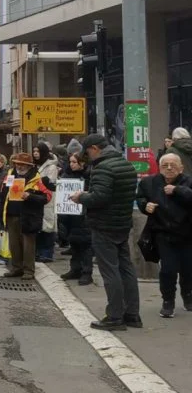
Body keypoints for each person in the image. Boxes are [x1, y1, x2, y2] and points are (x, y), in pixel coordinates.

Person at [69, 134, 140, 331]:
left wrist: (80, 197)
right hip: (122, 224)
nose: (88, 157)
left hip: (104, 225)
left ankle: (114, 316)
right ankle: (132, 314)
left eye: (87, 152)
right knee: (126, 268)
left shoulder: (103, 168)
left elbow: (99, 197)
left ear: (94, 148)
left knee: (110, 271)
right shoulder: (125, 164)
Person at [136, 153, 192, 318]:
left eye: (173, 165)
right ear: (159, 167)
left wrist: (177, 190)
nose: (169, 168)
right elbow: (140, 198)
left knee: (188, 269)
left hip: (187, 234)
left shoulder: (188, 181)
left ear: (181, 168)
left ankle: (188, 295)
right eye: (165, 165)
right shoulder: (149, 182)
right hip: (163, 232)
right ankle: (168, 301)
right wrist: (145, 205)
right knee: (168, 270)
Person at [2, 153, 51, 281]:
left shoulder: (37, 178)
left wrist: (30, 196)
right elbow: (4, 192)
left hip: (29, 216)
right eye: (17, 163)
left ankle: (29, 271)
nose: (19, 166)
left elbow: (47, 197)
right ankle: (16, 268)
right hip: (12, 214)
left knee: (28, 246)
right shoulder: (10, 174)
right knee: (14, 245)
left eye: (22, 164)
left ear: (29, 166)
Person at [60, 153, 94, 286]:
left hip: (84, 214)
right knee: (74, 243)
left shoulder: (89, 176)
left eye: (74, 162)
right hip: (70, 214)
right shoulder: (66, 175)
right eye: (70, 162)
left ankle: (87, 272)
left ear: (82, 163)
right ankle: (75, 269)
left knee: (85, 245)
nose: (71, 164)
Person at [34, 143, 59, 263]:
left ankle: (47, 254)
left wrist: (40, 182)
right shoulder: (34, 165)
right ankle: (39, 252)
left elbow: (50, 183)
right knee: (39, 228)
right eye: (34, 151)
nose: (35, 154)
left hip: (48, 200)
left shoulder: (51, 167)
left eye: (38, 151)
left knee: (48, 228)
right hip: (37, 199)